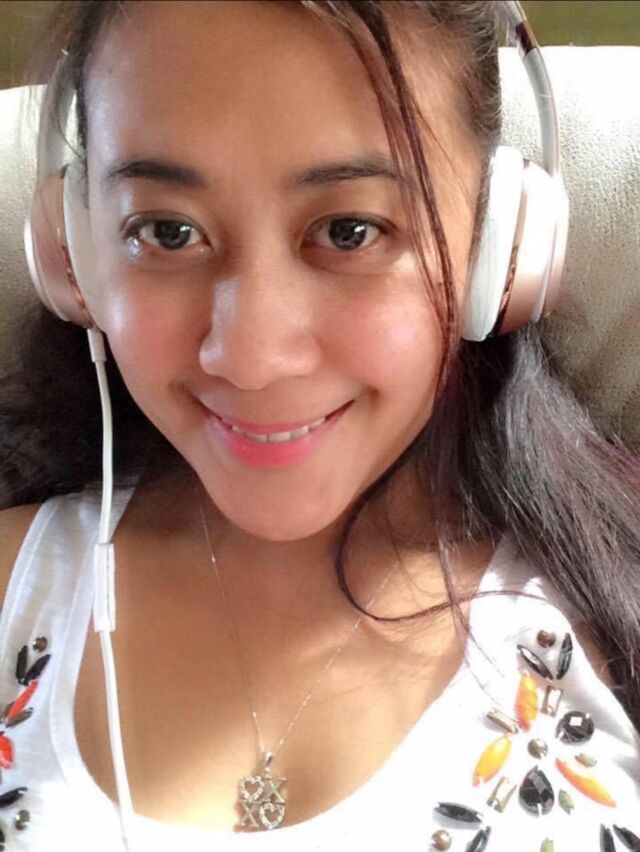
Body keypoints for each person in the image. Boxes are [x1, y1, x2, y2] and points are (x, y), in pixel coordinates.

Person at [0, 1, 639, 850]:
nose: (251, 356)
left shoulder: (616, 609)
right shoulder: (13, 587)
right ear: (75, 255)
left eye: (349, 231)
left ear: (501, 246)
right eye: (167, 231)